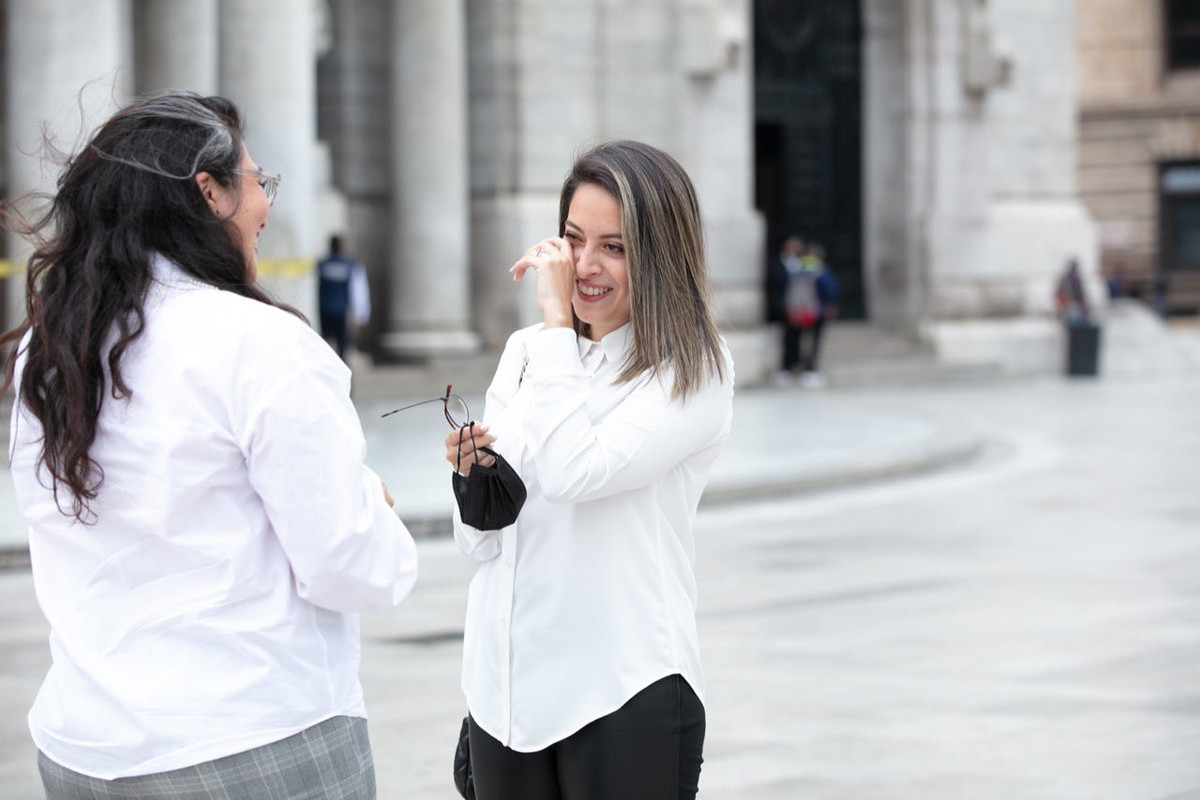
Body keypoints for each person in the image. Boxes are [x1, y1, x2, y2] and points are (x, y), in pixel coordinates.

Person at [1, 90, 418, 798]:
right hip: (251, 739)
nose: (265, 204)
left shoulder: (51, 344)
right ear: (210, 191)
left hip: (84, 745)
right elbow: (349, 567)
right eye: (259, 181)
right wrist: (375, 509)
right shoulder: (259, 342)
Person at [445, 140, 734, 799]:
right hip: (507, 691)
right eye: (574, 239)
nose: (584, 266)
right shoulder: (526, 353)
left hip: (619, 688)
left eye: (615, 246)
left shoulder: (693, 368)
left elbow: (577, 473)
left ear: (659, 255)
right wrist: (474, 486)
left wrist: (552, 326)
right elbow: (486, 545)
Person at [776, 238, 841, 387]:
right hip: (813, 311)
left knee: (797, 341)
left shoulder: (796, 269)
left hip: (797, 311)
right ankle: (808, 370)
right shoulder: (819, 270)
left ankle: (794, 369)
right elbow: (832, 289)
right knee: (811, 342)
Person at [318, 234, 371, 360]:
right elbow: (358, 292)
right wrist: (362, 315)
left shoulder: (323, 264)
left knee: (326, 345)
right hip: (341, 311)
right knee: (343, 347)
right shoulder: (350, 265)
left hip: (325, 310)